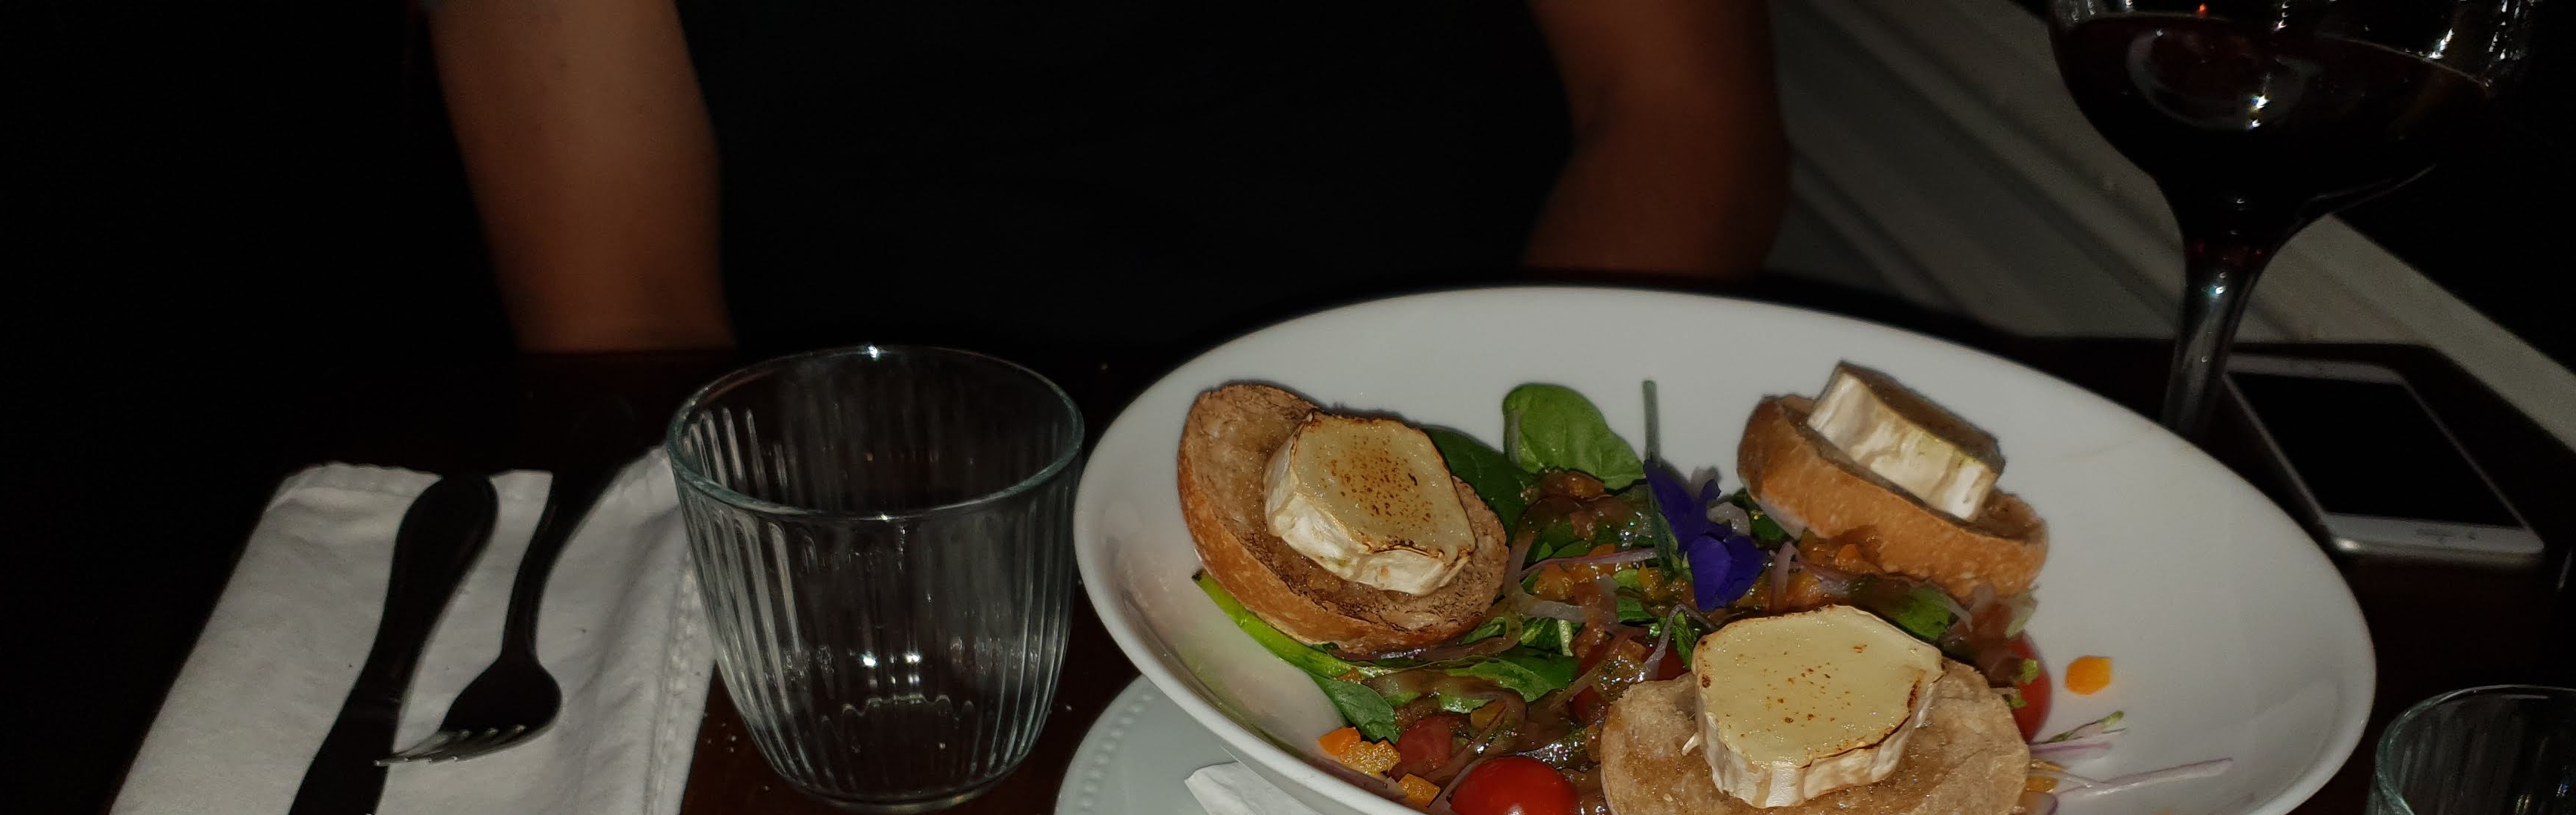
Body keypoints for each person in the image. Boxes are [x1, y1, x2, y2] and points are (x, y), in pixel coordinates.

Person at [428, 0, 1789, 355]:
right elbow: (620, 318)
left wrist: (1509, 474)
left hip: (1456, 395)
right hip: (889, 495)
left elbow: (1678, 111)